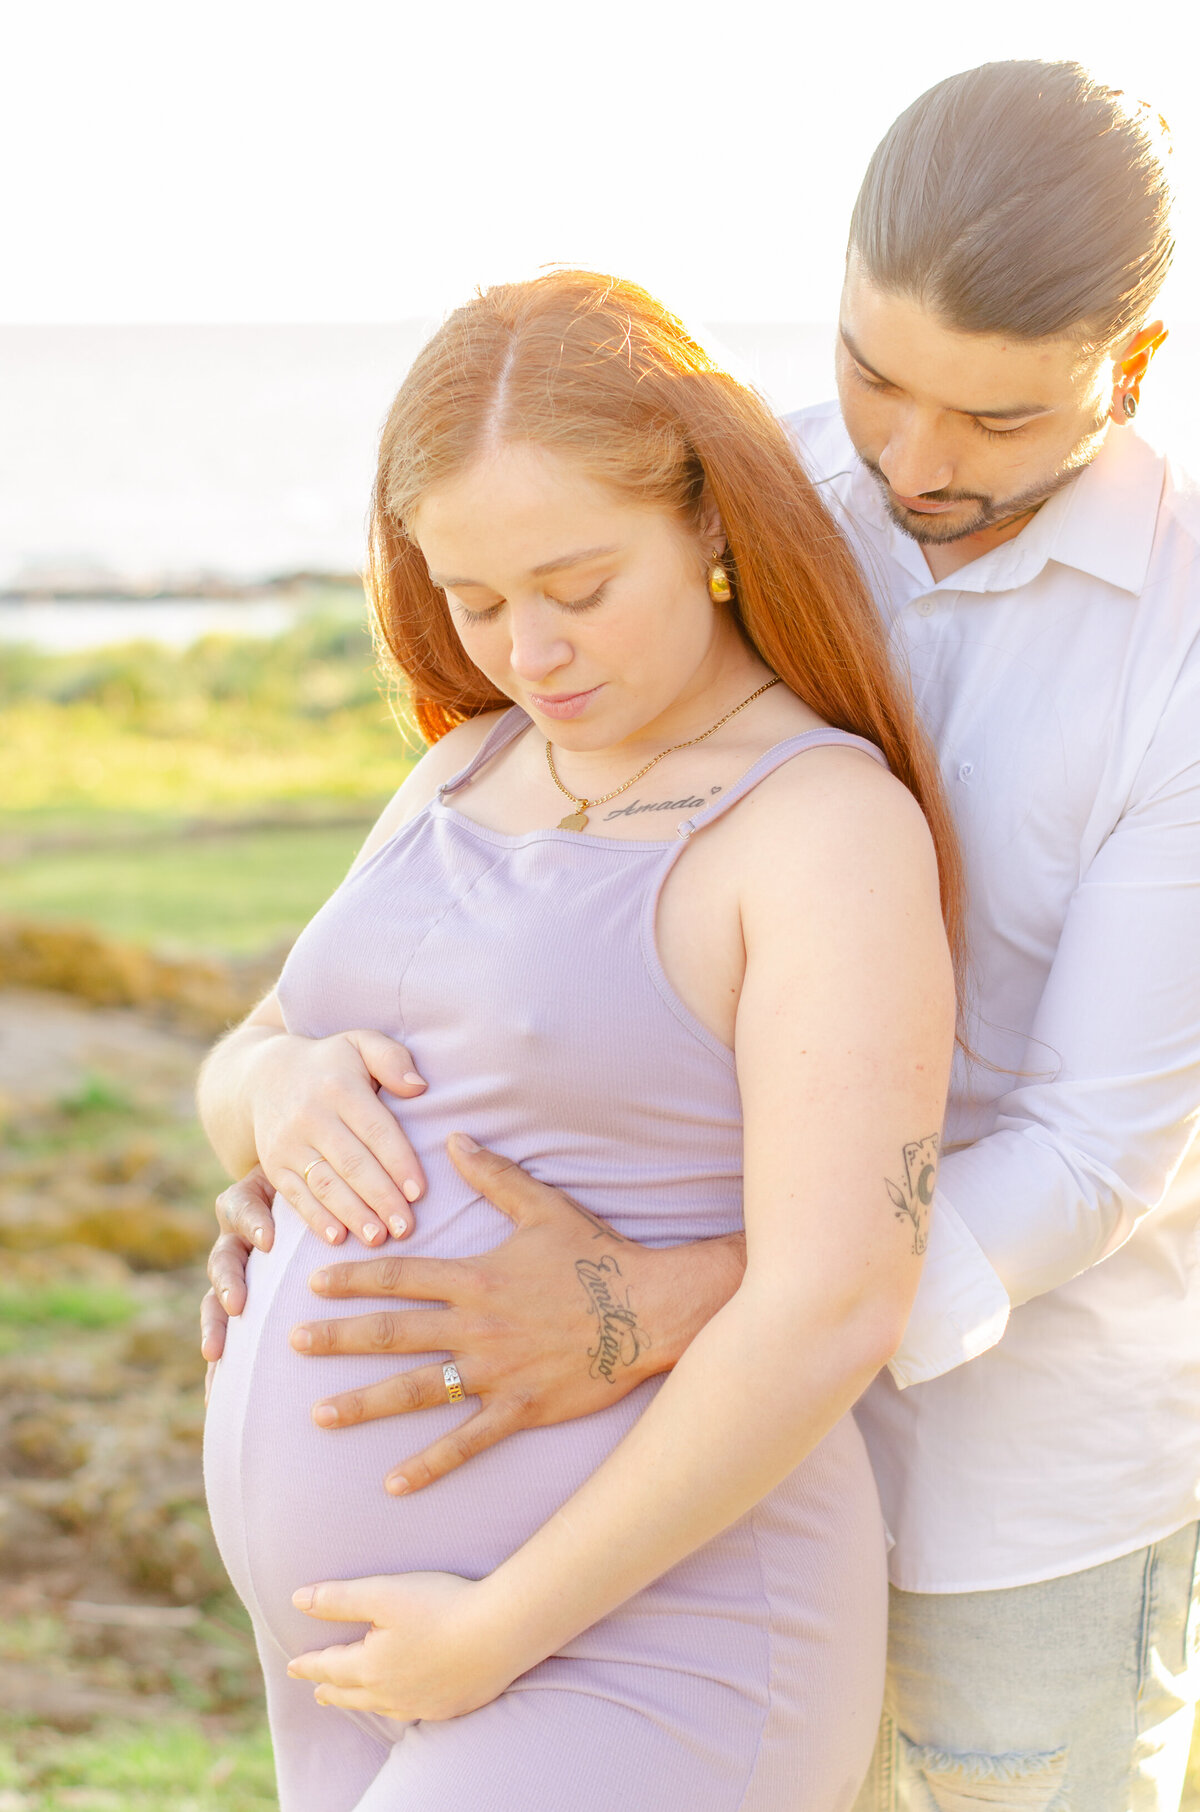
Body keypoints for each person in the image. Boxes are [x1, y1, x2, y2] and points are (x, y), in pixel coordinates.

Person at [205, 59, 1200, 1811]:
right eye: (874, 377)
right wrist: (297, 1132)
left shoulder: (1171, 649)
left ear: (1131, 368)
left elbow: (1095, 1145)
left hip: (1004, 1481)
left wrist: (674, 1303)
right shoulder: (745, 501)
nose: (913, 462)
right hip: (640, 1487)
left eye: (997, 422)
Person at [198, 269, 961, 1811]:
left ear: (708, 521)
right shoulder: (469, 769)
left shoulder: (818, 829)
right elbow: (251, 1052)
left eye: (579, 585)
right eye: (476, 603)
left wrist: (493, 1633)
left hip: (642, 1638)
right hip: (375, 1662)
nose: (529, 651)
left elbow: (835, 1302)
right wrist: (278, 1094)